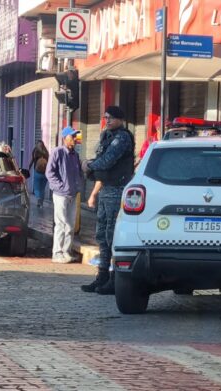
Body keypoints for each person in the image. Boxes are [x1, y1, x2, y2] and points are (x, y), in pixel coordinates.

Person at [81, 106, 136, 295]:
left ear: (120, 119)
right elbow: (100, 157)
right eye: (105, 117)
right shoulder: (107, 136)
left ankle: (114, 278)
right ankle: (102, 275)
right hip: (106, 188)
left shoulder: (122, 137)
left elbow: (107, 161)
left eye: (111, 118)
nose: (107, 120)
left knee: (112, 235)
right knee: (102, 234)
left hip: (117, 190)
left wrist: (89, 165)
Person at [45, 126, 84, 264]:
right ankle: (57, 252)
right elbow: (50, 173)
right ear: (65, 138)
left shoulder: (75, 155)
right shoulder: (57, 152)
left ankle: (66, 251)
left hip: (73, 194)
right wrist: (61, 186)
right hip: (61, 194)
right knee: (61, 224)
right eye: (72, 136)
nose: (74, 139)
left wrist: (78, 185)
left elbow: (78, 171)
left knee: (70, 225)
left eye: (75, 136)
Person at [28, 140, 49, 208]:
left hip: (37, 172)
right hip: (45, 173)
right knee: (42, 188)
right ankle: (41, 204)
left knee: (36, 188)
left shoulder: (35, 151)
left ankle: (38, 199)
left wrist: (29, 167)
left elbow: (32, 160)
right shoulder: (46, 152)